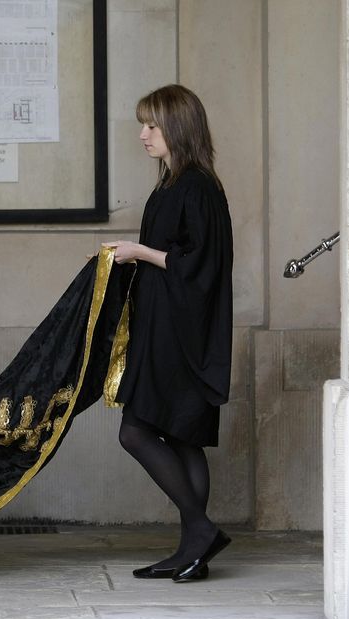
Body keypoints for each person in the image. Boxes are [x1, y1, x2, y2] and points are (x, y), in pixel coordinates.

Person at [102, 84, 234, 582]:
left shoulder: (196, 185)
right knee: (181, 438)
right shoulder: (172, 183)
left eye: (151, 125)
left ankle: (199, 532)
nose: (142, 134)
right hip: (164, 325)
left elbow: (202, 264)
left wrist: (140, 252)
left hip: (181, 335)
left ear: (177, 127)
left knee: (138, 431)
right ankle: (193, 551)